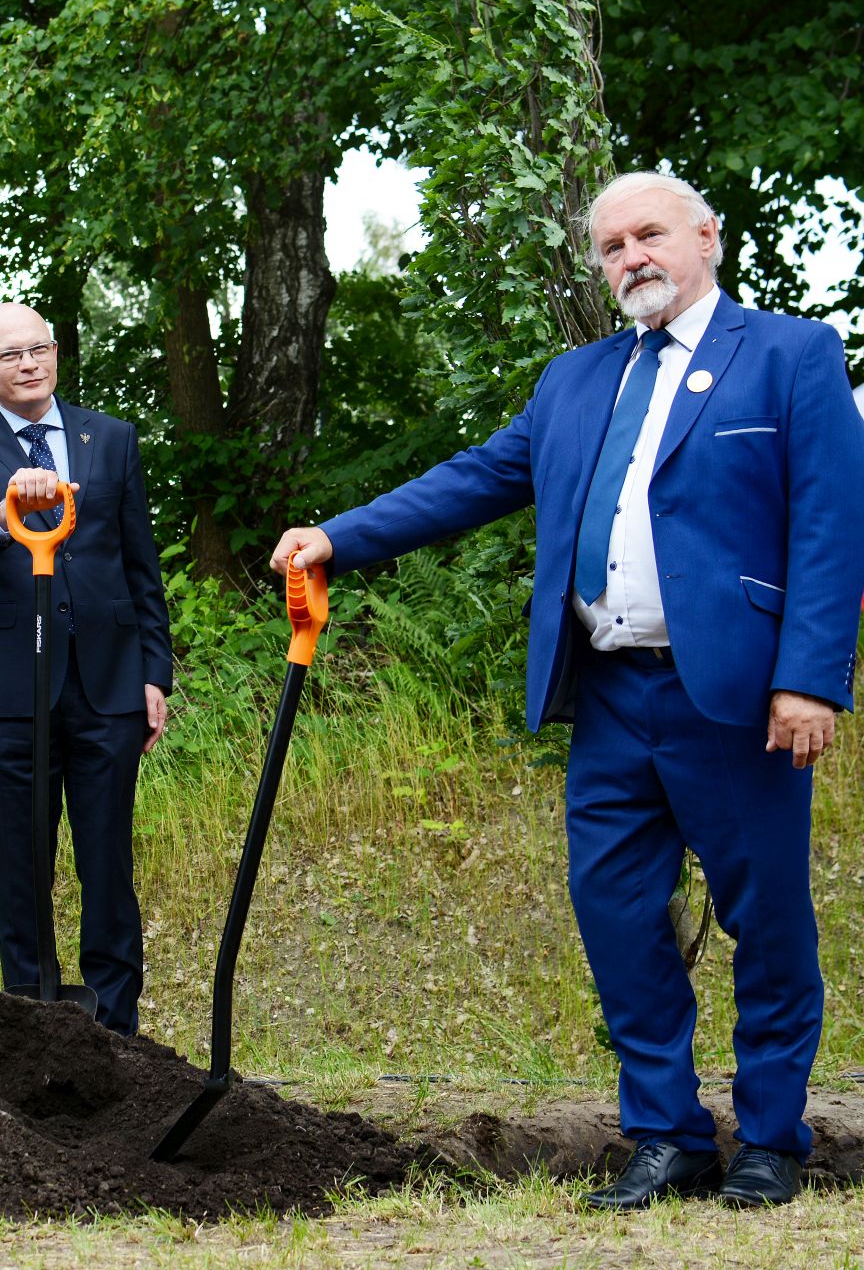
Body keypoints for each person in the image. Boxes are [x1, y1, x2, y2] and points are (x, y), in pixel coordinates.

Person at [272, 172, 864, 1210]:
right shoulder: (575, 380)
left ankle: (771, 1135)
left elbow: (830, 522)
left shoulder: (789, 355)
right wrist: (339, 536)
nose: (630, 256)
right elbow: (473, 478)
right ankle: (668, 1136)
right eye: (610, 245)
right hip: (609, 697)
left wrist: (811, 677)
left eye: (649, 234)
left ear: (706, 237)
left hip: (736, 698)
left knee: (766, 921)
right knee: (619, 918)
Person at [0, 303, 172, 1036]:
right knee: (21, 868)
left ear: (57, 353)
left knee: (108, 864)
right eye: (10, 355)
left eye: (39, 348)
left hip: (107, 684)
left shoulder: (112, 439)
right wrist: (2, 516)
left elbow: (140, 564)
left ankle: (116, 1029)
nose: (28, 363)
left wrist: (153, 673)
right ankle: (32, 1026)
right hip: (7, 692)